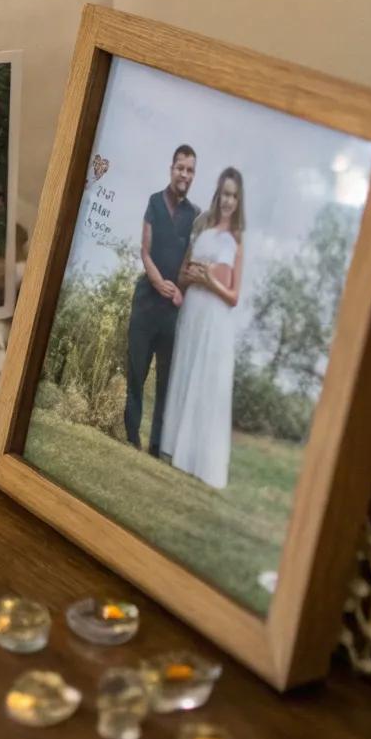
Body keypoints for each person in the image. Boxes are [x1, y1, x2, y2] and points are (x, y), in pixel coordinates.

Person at [160, 168, 246, 489]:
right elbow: (183, 273)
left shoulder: (238, 240)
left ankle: (197, 458)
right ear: (217, 194)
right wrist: (192, 278)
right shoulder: (203, 229)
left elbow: (234, 296)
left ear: (240, 200)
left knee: (205, 377)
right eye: (224, 193)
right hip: (193, 308)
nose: (228, 201)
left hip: (215, 314)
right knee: (185, 370)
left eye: (234, 195)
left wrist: (210, 280)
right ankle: (172, 447)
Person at [124, 144, 200, 457]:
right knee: (137, 372)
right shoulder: (154, 202)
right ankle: (132, 438)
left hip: (173, 312)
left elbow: (192, 261)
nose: (185, 174)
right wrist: (158, 282)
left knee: (165, 381)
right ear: (171, 169)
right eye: (180, 168)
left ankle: (156, 447)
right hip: (146, 302)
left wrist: (179, 288)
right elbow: (145, 249)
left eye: (190, 170)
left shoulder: (195, 216)